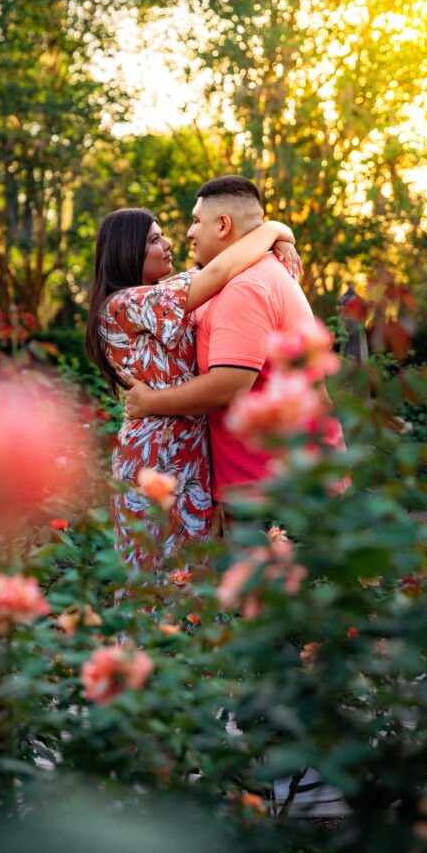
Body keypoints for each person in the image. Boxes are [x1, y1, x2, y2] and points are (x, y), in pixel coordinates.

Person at [85, 205, 299, 567]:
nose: (169, 244)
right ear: (127, 250)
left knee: (190, 576)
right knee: (158, 576)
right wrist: (274, 228)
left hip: (187, 448)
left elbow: (224, 265)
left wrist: (281, 237)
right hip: (157, 453)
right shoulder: (125, 304)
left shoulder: (159, 295)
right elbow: (219, 271)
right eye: (155, 239)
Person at [124, 176, 321, 510]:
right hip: (265, 481)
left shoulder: (244, 287)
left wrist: (150, 402)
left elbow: (229, 387)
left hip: (274, 489)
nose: (187, 232)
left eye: (196, 221)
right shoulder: (234, 278)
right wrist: (275, 231)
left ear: (223, 225)